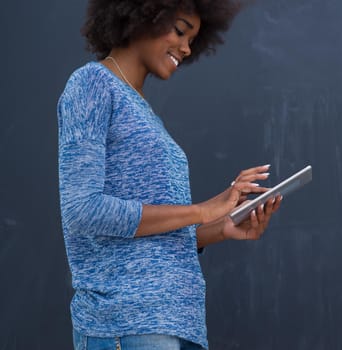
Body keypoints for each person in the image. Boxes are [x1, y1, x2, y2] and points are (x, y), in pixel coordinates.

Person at [57, 0, 282, 349]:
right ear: (139, 15)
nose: (186, 47)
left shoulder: (146, 114)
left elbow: (149, 240)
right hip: (127, 322)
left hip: (179, 322)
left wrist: (219, 229)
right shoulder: (91, 84)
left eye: (192, 38)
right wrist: (202, 210)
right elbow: (82, 209)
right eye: (179, 30)